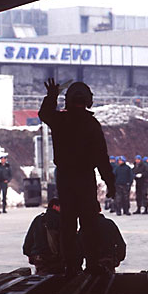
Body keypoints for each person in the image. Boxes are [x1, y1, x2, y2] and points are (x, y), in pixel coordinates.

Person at [38, 78, 116, 277]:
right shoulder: (92, 124)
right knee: (89, 223)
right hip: (84, 179)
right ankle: (91, 265)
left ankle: (71, 266)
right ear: (88, 101)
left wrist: (51, 95)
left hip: (65, 179)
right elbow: (102, 158)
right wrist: (110, 182)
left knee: (68, 224)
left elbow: (44, 114)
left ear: (68, 100)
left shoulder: (60, 120)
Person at [23, 198, 64, 275]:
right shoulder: (60, 220)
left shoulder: (38, 219)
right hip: (54, 258)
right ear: (55, 207)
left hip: (38, 258)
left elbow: (28, 241)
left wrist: (29, 254)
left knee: (41, 277)